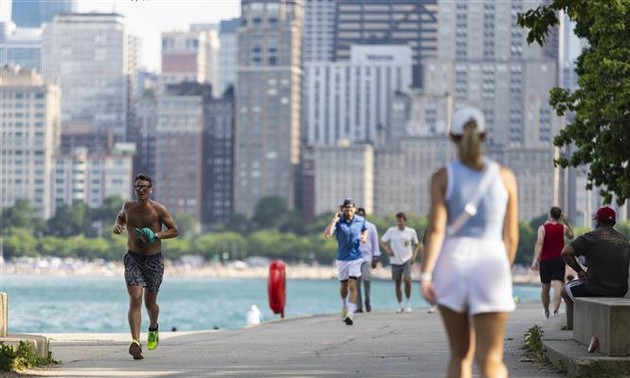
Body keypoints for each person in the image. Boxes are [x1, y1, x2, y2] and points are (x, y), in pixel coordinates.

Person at [420, 106, 519, 378]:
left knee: (460, 355)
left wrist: (427, 274)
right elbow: (511, 236)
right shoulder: (505, 177)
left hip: (453, 262)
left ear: (452, 137)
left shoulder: (442, 177)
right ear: (484, 135)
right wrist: (502, 269)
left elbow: (436, 230)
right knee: (491, 359)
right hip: (492, 261)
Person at [113, 173, 179, 360]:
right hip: (133, 258)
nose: (140, 190)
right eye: (138, 187)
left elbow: (175, 230)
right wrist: (117, 226)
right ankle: (135, 341)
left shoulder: (158, 210)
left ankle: (153, 326)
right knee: (135, 298)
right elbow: (120, 218)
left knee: (150, 303)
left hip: (153, 260)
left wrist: (156, 236)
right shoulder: (128, 207)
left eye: (144, 187)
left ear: (150, 189)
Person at [560, 206, 630, 331]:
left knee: (564, 292)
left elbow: (565, 252)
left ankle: (572, 327)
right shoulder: (624, 240)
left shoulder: (590, 237)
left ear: (598, 221)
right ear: (613, 221)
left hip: (595, 288)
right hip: (620, 290)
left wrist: (579, 271)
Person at [324, 198, 368, 325]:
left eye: (351, 209)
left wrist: (364, 237)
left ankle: (350, 313)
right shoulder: (338, 222)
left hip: (356, 258)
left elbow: (365, 229)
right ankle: (344, 306)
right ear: (342, 209)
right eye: (346, 209)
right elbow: (327, 235)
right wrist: (334, 220)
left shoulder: (360, 220)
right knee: (343, 286)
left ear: (355, 209)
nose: (349, 212)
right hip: (342, 258)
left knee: (353, 285)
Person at [531, 206, 574, 318]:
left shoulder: (542, 228)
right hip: (559, 261)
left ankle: (546, 311)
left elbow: (539, 243)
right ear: (559, 216)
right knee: (558, 287)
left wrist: (535, 260)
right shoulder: (563, 227)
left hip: (545, 261)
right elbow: (571, 235)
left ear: (550, 215)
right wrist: (564, 221)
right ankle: (555, 310)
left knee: (545, 288)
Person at [380, 212, 419, 313]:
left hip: (407, 259)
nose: (399, 223)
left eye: (401, 221)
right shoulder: (391, 231)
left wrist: (414, 257)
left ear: (404, 221)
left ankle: (408, 302)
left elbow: (416, 244)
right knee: (397, 283)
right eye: (397, 221)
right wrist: (387, 250)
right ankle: (399, 304)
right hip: (395, 261)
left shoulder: (411, 231)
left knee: (407, 280)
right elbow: (382, 241)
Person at [355, 207, 381, 313]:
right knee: (356, 283)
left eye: (361, 214)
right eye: (358, 215)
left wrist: (375, 257)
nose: (360, 216)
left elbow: (375, 242)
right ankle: (359, 306)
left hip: (367, 258)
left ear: (364, 215)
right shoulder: (353, 226)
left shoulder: (371, 227)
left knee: (366, 279)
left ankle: (367, 301)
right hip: (355, 258)